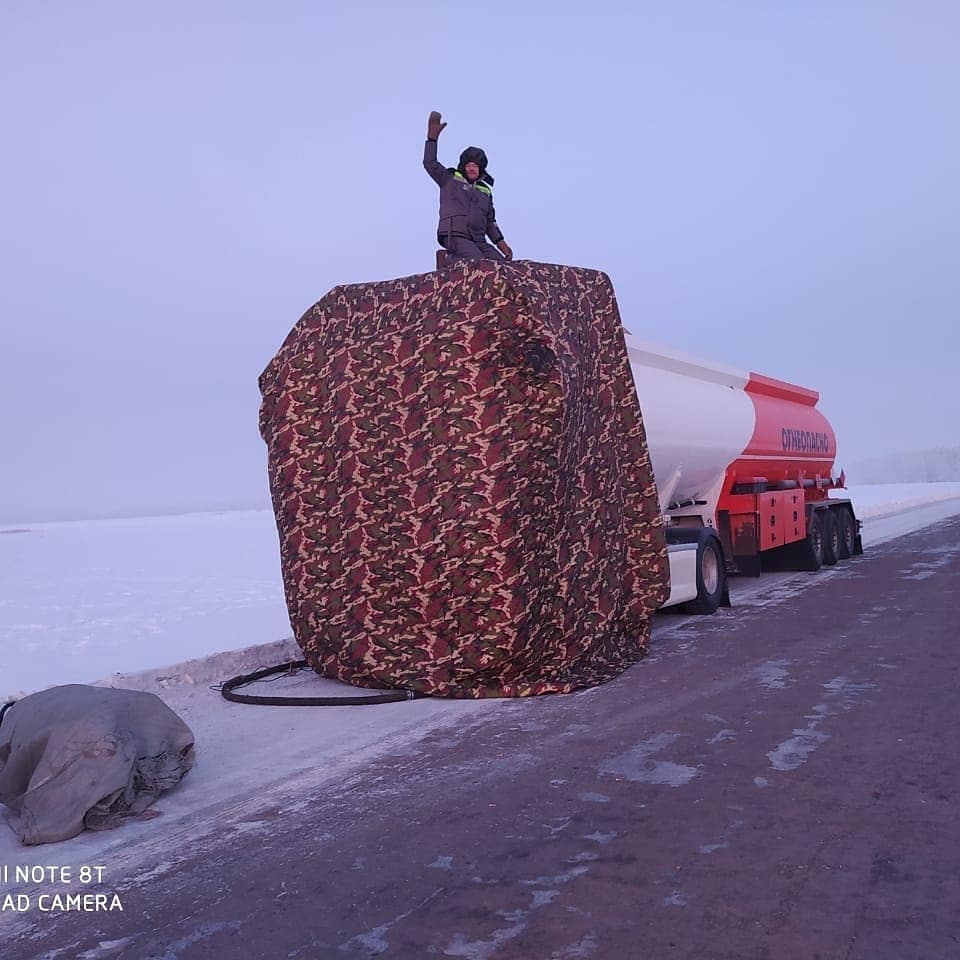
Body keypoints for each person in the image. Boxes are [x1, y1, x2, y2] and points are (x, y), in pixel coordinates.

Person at [423, 111, 513, 262]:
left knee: (500, 266)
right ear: (463, 167)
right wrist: (432, 140)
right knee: (479, 263)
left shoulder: (485, 191)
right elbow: (430, 164)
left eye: (475, 166)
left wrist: (501, 244)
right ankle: (448, 259)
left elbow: (490, 222)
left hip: (478, 240)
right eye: (469, 165)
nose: (472, 168)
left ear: (480, 170)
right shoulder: (449, 179)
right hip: (455, 235)